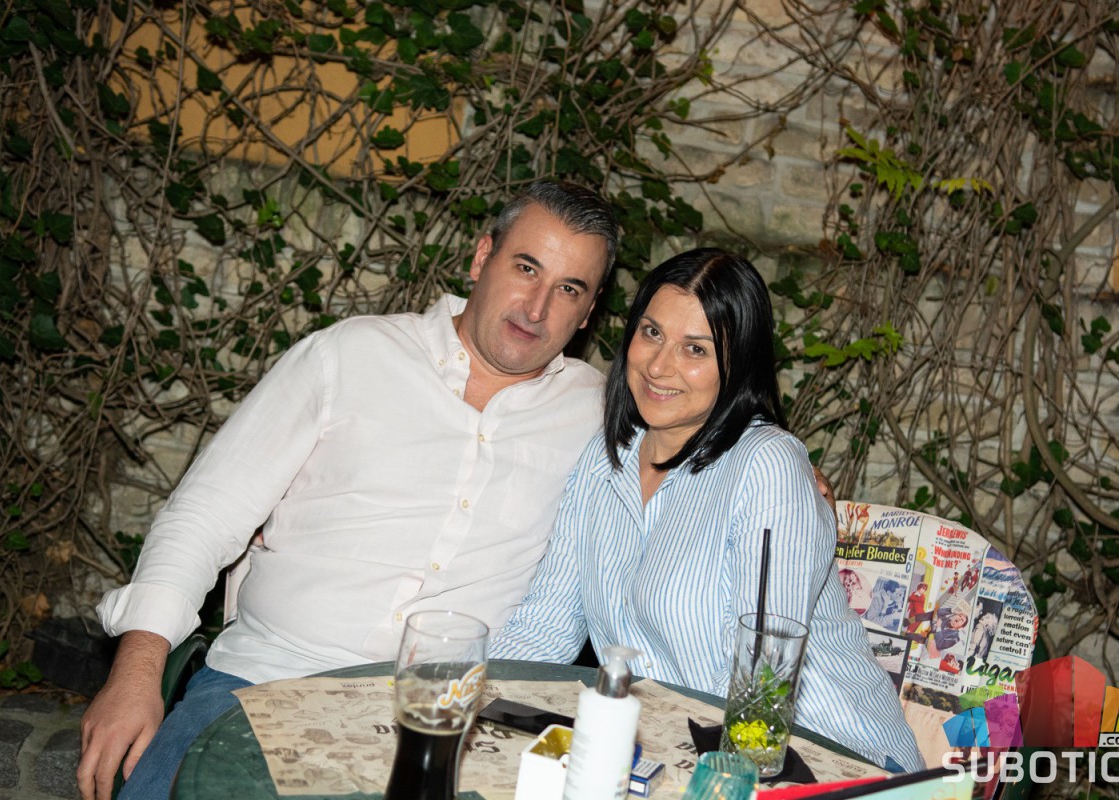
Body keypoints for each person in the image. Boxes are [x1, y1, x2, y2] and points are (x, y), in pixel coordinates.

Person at [77, 180, 620, 800]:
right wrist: (135, 676)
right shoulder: (349, 356)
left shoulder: (597, 417)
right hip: (266, 682)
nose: (537, 307)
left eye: (569, 289)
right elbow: (205, 514)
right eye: (526, 268)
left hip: (449, 727)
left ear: (589, 310)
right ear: (481, 257)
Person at [490, 248, 925, 773]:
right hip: (675, 755)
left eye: (694, 349)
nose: (658, 366)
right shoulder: (604, 462)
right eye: (651, 333)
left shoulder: (766, 465)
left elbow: (761, 682)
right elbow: (545, 626)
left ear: (736, 364)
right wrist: (477, 702)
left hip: (826, 763)